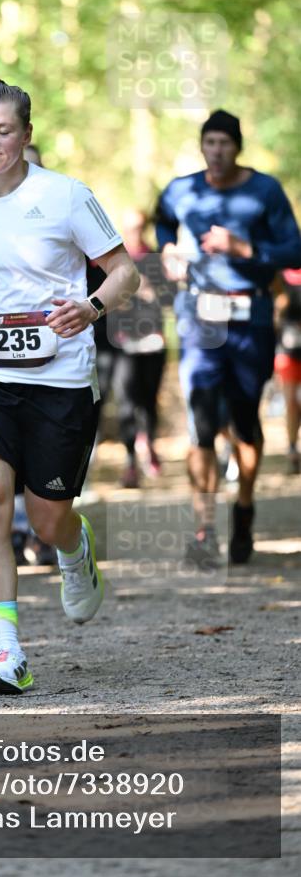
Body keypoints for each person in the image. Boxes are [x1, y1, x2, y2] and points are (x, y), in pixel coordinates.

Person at [0, 80, 139, 695]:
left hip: (60, 380)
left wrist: (91, 307)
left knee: (46, 519)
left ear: (26, 134)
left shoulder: (66, 196)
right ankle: (6, 650)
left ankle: (74, 545)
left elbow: (126, 273)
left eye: (2, 130)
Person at [156, 109, 301, 567]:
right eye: (210, 142)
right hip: (200, 314)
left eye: (224, 143)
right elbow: (162, 219)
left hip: (249, 316)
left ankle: (244, 509)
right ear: (202, 146)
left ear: (237, 147)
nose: (216, 151)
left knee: (244, 421)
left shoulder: (264, 191)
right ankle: (204, 528)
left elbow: (295, 249)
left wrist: (246, 249)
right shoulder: (182, 189)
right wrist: (167, 249)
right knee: (201, 421)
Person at [10, 142, 55, 566]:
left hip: (56, 363)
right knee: (7, 447)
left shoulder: (64, 211)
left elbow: (101, 277)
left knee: (45, 451)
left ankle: (46, 529)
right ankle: (20, 526)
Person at [108, 210, 174, 488]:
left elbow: (170, 298)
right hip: (123, 343)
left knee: (148, 401)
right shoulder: (113, 258)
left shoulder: (156, 259)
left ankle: (151, 445)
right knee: (126, 401)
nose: (134, 233)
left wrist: (147, 291)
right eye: (129, 228)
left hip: (152, 342)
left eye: (138, 227)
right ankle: (130, 462)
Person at [273, 268, 301, 474]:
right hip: (288, 349)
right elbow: (276, 311)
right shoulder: (280, 274)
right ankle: (292, 447)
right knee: (291, 402)